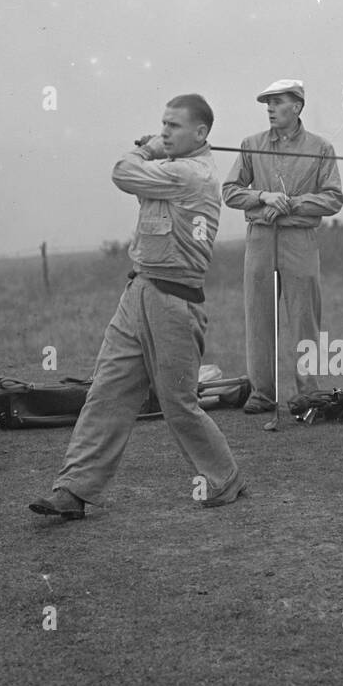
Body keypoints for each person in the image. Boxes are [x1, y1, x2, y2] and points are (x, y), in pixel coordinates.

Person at [28, 93, 245, 520]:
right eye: (162, 125)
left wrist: (146, 148)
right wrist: (158, 152)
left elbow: (122, 172)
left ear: (201, 134)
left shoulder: (192, 174)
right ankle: (73, 489)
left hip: (174, 303)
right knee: (107, 390)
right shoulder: (171, 168)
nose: (165, 132)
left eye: (174, 127)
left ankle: (224, 478)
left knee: (177, 402)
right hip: (139, 292)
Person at [222, 79, 343, 412]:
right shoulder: (251, 144)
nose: (270, 109)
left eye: (277, 102)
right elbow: (230, 190)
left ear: (297, 106)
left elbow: (333, 199)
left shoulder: (321, 148)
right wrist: (263, 196)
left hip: (299, 240)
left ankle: (308, 392)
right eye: (267, 103)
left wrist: (290, 203)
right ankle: (263, 393)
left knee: (305, 317)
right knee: (259, 316)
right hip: (260, 238)